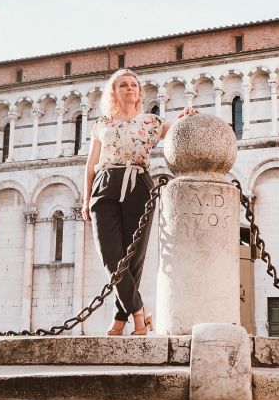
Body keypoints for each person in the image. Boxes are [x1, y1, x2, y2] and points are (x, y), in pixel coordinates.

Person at [83, 69, 197, 335]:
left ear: (139, 92)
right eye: (122, 85)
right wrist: (85, 198)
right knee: (110, 255)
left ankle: (119, 320)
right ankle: (140, 313)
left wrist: (186, 116)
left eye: (133, 85)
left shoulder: (151, 122)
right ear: (114, 92)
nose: (129, 88)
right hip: (106, 183)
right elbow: (90, 163)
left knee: (133, 256)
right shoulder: (102, 123)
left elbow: (176, 131)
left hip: (138, 184)